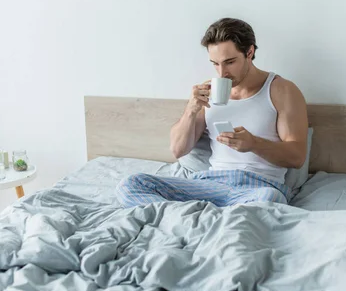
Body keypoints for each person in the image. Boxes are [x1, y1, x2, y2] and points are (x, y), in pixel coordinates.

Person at [116, 18, 308, 208]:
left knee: (270, 199)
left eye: (230, 62)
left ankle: (191, 217)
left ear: (249, 52)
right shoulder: (209, 90)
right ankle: (200, 218)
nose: (221, 72)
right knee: (132, 184)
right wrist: (191, 110)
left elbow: (297, 157)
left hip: (258, 188)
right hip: (208, 185)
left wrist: (254, 144)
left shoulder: (281, 90)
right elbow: (178, 149)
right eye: (215, 63)